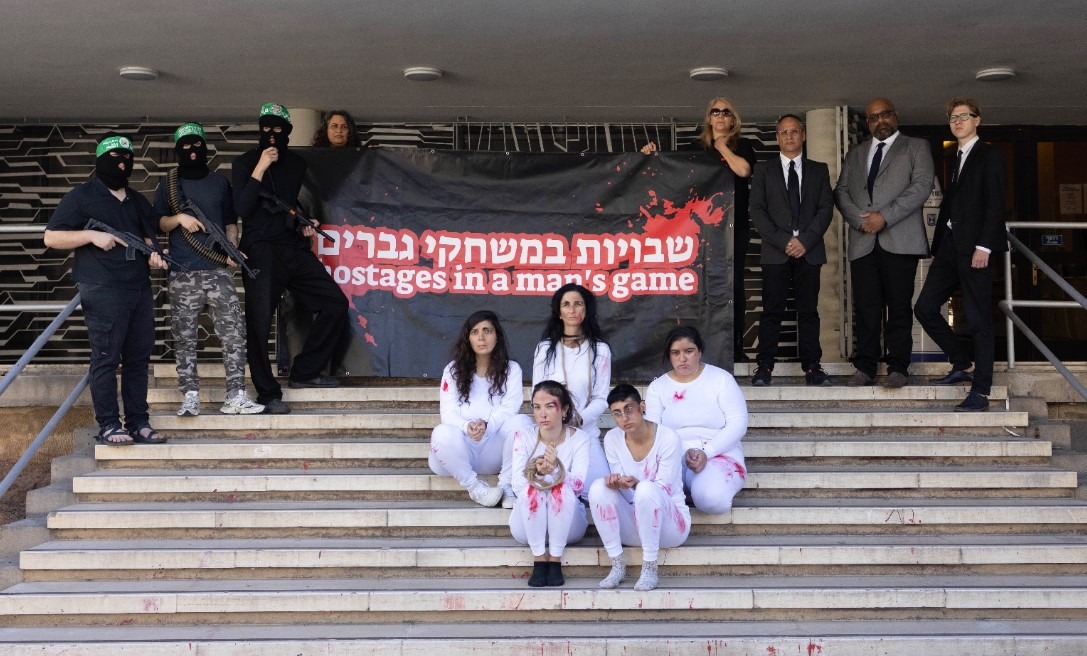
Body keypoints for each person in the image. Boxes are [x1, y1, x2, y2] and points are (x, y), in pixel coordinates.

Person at [44, 134, 190, 445]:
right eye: (114, 158)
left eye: (127, 157)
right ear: (100, 161)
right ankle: (109, 425)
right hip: (102, 287)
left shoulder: (136, 200)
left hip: (138, 288)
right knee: (106, 358)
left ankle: (138, 422)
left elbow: (149, 239)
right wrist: (91, 236)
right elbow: (52, 237)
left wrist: (155, 256)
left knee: (138, 359)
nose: (122, 163)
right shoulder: (81, 197)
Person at [232, 103, 350, 414]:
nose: (271, 134)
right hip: (260, 249)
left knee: (335, 303)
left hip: (292, 247)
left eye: (277, 129)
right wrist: (260, 167)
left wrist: (303, 223)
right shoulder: (244, 162)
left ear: (287, 131)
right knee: (259, 322)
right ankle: (267, 393)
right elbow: (243, 208)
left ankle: (305, 372)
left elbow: (285, 204)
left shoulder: (296, 164)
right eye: (266, 128)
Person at [154, 122, 264, 417]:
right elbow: (159, 222)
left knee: (233, 334)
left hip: (217, 270)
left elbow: (230, 222)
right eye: (186, 145)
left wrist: (231, 249)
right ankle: (190, 396)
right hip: (183, 272)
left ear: (205, 147)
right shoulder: (169, 184)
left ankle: (236, 396)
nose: (192, 150)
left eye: (197, 144)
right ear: (178, 150)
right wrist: (179, 219)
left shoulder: (219, 182)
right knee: (184, 337)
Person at [642, 97, 756, 362]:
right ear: (708, 118)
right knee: (697, 284)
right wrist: (651, 157)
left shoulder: (743, 146)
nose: (720, 115)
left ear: (733, 119)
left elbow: (743, 170)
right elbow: (671, 173)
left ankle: (734, 347)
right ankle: (698, 345)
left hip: (732, 229)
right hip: (697, 231)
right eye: (715, 111)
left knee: (733, 286)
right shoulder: (694, 148)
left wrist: (722, 147)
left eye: (726, 111)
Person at [835, 97, 935, 388]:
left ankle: (898, 367)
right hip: (863, 241)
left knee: (899, 306)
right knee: (866, 307)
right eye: (873, 117)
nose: (880, 121)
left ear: (896, 115)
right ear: (868, 122)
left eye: (885, 114)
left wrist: (884, 217)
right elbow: (841, 191)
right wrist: (861, 221)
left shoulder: (916, 147)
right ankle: (865, 367)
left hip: (900, 240)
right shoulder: (856, 153)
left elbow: (921, 186)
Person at [914, 98, 1007, 412]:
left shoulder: (989, 154)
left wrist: (985, 246)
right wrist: (940, 244)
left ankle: (981, 392)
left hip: (976, 248)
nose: (958, 121)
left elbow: (995, 204)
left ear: (977, 120)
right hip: (951, 247)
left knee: (979, 320)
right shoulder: (956, 155)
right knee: (925, 307)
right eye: (953, 117)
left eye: (964, 116)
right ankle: (961, 362)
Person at [498, 283, 611, 508]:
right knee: (539, 478)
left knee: (596, 492)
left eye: (578, 304)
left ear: (586, 309)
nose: (572, 310)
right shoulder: (545, 349)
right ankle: (506, 485)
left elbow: (601, 398)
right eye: (566, 304)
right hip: (549, 433)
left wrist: (580, 418)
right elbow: (537, 393)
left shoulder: (600, 350)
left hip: (583, 432)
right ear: (559, 312)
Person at [749, 114, 834, 386]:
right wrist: (784, 241)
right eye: (784, 132)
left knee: (808, 311)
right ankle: (764, 367)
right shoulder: (764, 170)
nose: (789, 136)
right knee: (771, 310)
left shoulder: (819, 170)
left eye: (794, 131)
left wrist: (804, 241)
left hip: (809, 251)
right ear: (777, 138)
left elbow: (826, 209)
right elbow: (757, 210)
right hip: (776, 252)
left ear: (803, 135)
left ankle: (812, 367)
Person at [589, 384, 690, 591]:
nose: (624, 418)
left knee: (646, 489)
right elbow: (626, 493)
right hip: (634, 527)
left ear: (642, 407)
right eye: (617, 413)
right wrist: (617, 483)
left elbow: (663, 488)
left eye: (629, 409)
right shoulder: (612, 439)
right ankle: (617, 565)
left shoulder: (668, 438)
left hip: (670, 528)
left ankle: (650, 568)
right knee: (599, 487)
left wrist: (636, 484)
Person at [644, 326, 748, 514]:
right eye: (675, 353)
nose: (682, 358)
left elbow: (738, 423)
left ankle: (697, 489)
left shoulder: (721, 379)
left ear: (700, 351)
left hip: (717, 453)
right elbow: (653, 430)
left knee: (712, 499)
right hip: (672, 455)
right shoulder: (657, 387)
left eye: (689, 351)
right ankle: (686, 490)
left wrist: (707, 452)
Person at [429, 311, 524, 507]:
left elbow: (510, 409)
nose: (481, 337)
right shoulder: (453, 370)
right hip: (457, 455)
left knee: (522, 422)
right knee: (441, 432)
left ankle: (506, 486)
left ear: (497, 335)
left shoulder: (512, 370)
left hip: (493, 453)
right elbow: (448, 413)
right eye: (475, 332)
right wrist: (467, 427)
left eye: (487, 331)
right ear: (468, 338)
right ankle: (476, 488)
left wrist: (487, 425)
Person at [508, 380, 591, 587]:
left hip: (569, 526)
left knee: (562, 489)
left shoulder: (580, 439)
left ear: (564, 409)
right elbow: (516, 484)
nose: (542, 414)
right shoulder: (524, 436)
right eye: (537, 407)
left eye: (550, 406)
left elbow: (578, 486)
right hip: (526, 525)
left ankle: (554, 561)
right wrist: (537, 473)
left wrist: (555, 469)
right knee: (532, 489)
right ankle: (539, 560)